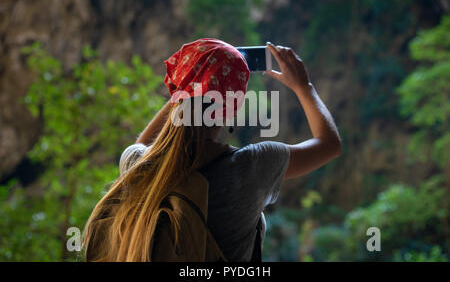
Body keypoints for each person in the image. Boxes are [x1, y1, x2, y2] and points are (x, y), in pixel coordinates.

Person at [83, 38, 342, 262]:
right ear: (233, 108)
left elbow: (145, 142)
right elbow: (329, 144)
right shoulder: (251, 168)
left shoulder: (137, 164)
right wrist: (303, 86)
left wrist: (188, 86)